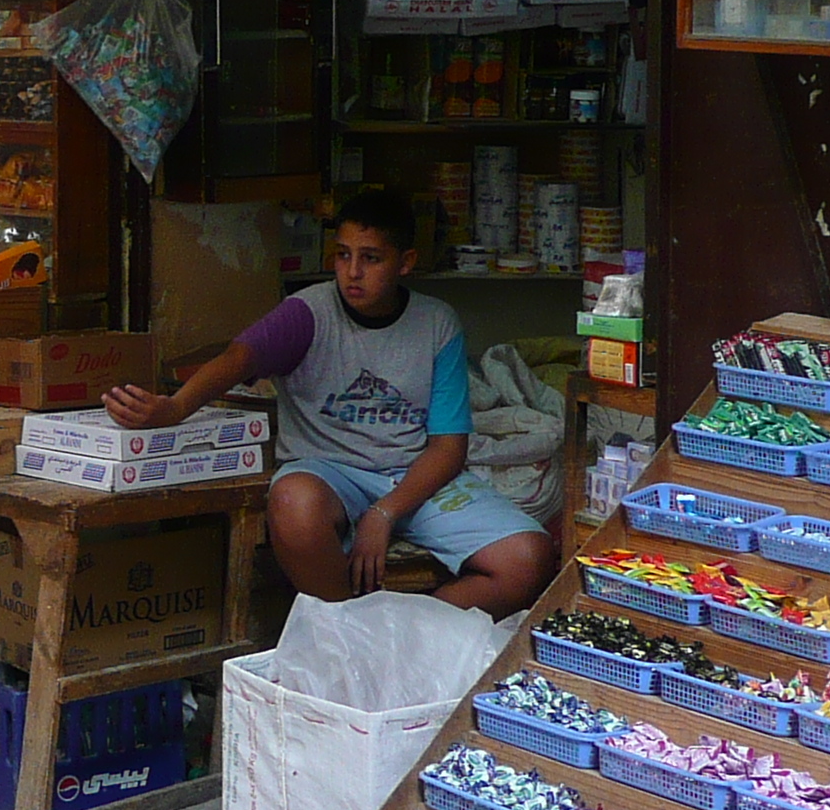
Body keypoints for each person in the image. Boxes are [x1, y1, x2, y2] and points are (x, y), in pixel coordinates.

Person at [105, 187, 557, 617]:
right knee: (292, 502)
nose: (352, 272)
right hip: (328, 472)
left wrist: (384, 514)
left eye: (371, 258)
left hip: (412, 475)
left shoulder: (437, 323)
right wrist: (173, 408)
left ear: (406, 262)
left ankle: (402, 639)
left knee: (528, 559)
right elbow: (238, 358)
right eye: (343, 255)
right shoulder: (308, 312)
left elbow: (448, 447)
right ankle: (348, 625)